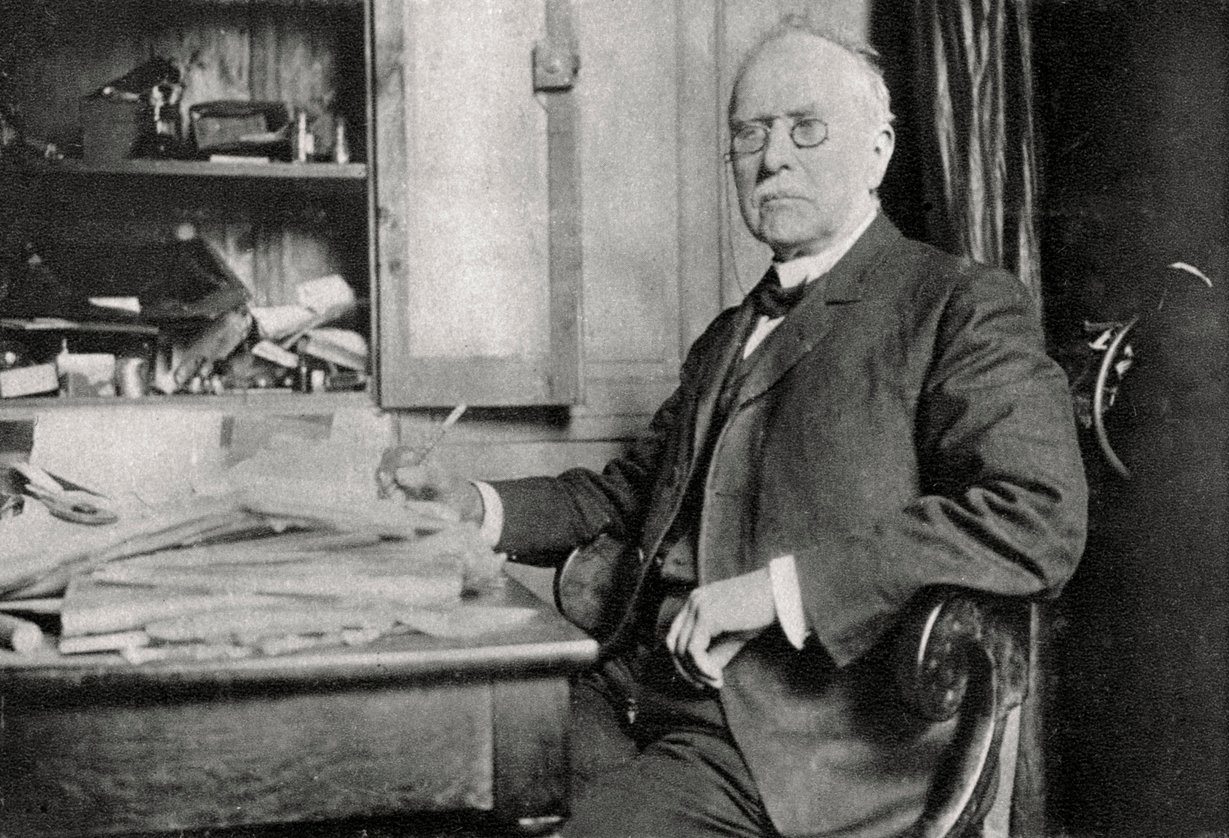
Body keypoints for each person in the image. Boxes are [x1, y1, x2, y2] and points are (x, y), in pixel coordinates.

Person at [380, 19, 1087, 838]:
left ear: (879, 151)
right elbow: (627, 495)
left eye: (806, 128)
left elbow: (1037, 513)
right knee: (414, 777)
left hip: (795, 746)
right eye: (750, 133)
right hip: (634, 690)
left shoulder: (956, 304)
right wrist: (473, 505)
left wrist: (781, 592)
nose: (772, 156)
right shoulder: (727, 336)